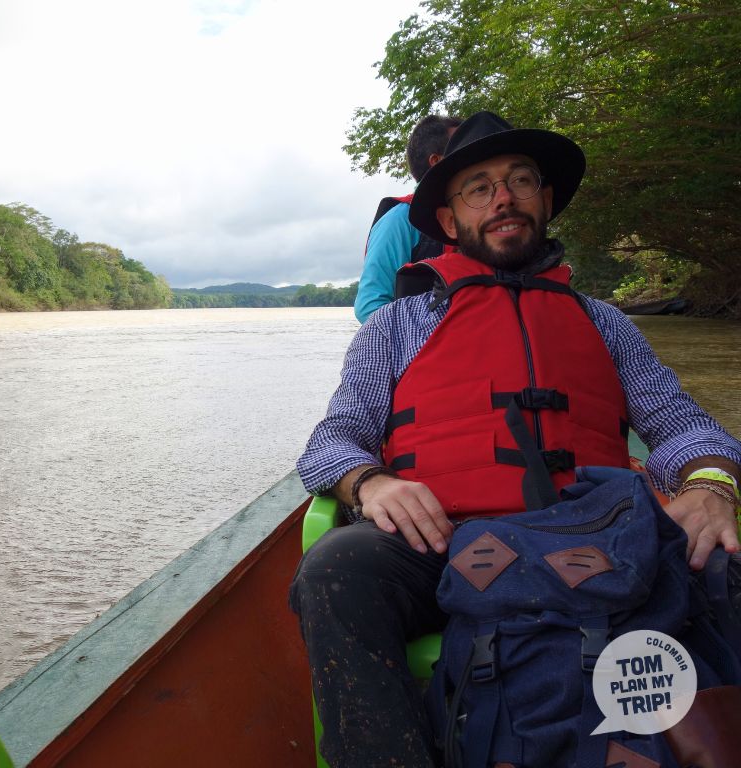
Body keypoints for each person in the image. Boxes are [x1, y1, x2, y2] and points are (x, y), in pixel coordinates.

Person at [290, 110, 741, 768]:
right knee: (334, 573)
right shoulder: (394, 326)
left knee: (728, 562)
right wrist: (371, 481)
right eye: (479, 186)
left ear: (545, 201)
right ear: (449, 219)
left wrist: (709, 486)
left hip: (596, 530)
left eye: (519, 180)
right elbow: (335, 438)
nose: (502, 197)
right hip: (442, 538)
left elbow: (682, 423)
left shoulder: (604, 321)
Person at [354, 115, 462, 324]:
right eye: (463, 147)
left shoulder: (478, 217)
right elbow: (369, 307)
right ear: (437, 162)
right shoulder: (400, 221)